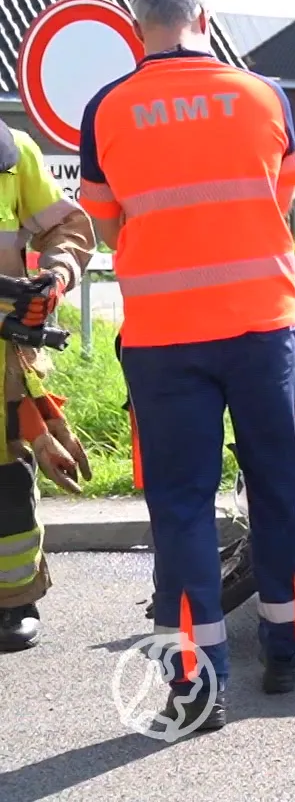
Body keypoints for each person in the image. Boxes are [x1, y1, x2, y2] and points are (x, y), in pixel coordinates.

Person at [76, 0, 295, 732]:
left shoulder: (106, 108)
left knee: (181, 505)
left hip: (163, 339)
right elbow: (280, 197)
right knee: (276, 484)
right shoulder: (263, 96)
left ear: (136, 28)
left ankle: (196, 681)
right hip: (262, 329)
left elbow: (107, 225)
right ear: (203, 19)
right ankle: (285, 646)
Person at [0, 132, 95, 653]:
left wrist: (55, 274)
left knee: (7, 484)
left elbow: (67, 226)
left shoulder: (13, 153)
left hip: (4, 359)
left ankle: (13, 601)